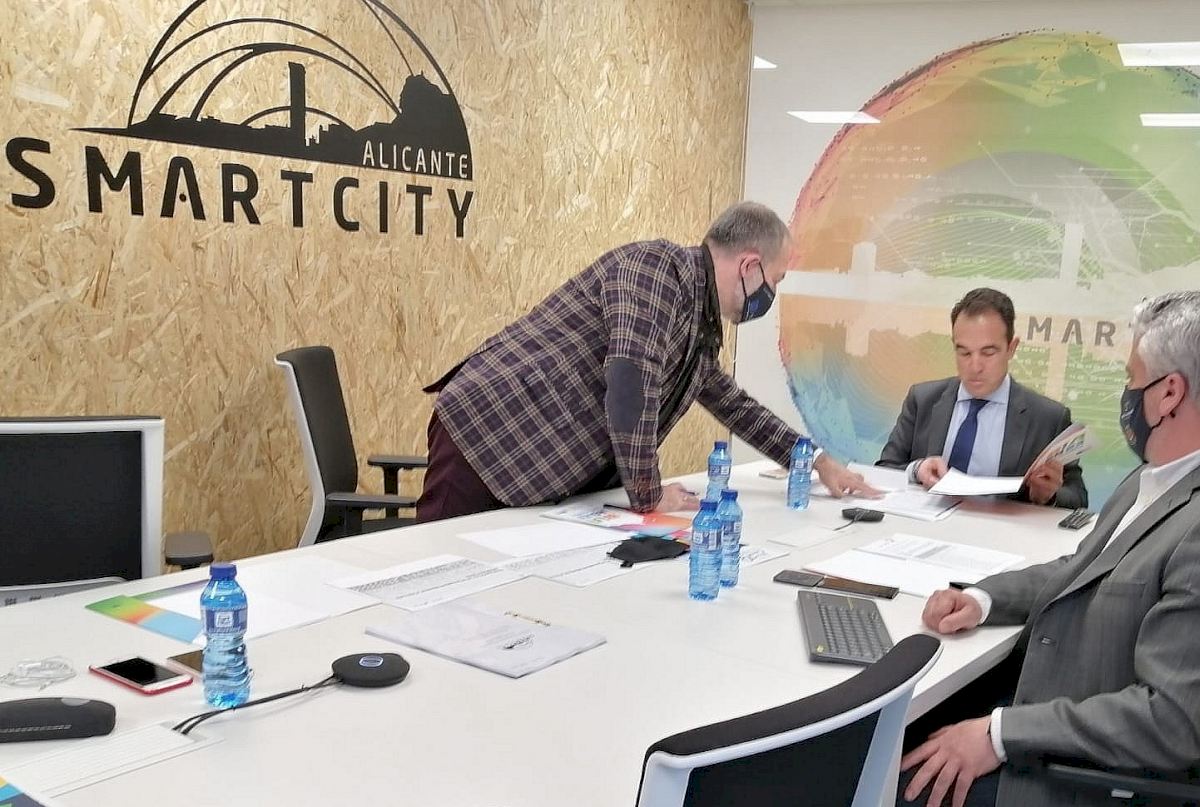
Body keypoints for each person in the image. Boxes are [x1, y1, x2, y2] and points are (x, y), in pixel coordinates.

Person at [898, 291, 1200, 807]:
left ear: (1169, 393)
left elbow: (1171, 719)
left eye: (1131, 378)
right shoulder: (1150, 480)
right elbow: (1082, 568)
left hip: (1074, 772)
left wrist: (1000, 734)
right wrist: (983, 598)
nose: (1127, 394)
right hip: (1045, 701)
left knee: (883, 770)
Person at [417, 202, 878, 521]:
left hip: (531, 458)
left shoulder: (695, 320)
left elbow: (735, 407)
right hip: (487, 432)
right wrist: (649, 494)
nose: (770, 294)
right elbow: (630, 385)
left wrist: (815, 461)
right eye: (775, 280)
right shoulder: (656, 272)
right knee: (433, 572)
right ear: (749, 265)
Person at [877, 287, 1087, 509]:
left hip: (1000, 530)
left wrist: (1049, 496)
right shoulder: (922, 400)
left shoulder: (1048, 418)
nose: (975, 366)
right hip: (925, 526)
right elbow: (884, 470)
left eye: (988, 353)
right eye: (964, 353)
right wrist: (917, 469)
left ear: (1011, 348)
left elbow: (1078, 498)